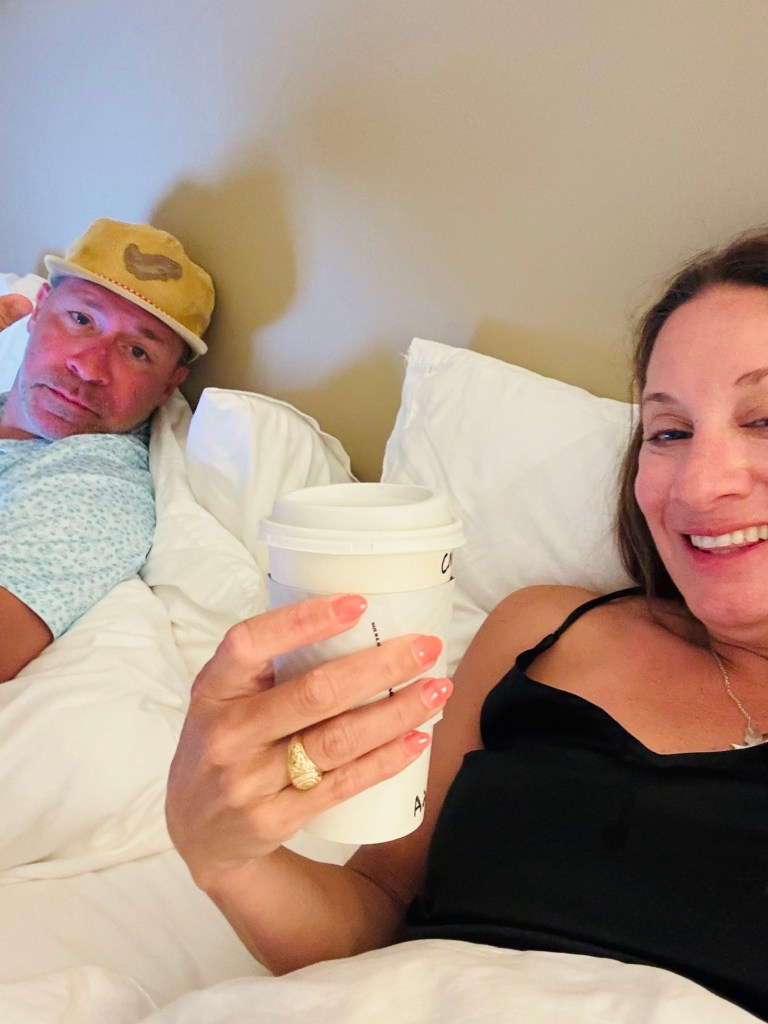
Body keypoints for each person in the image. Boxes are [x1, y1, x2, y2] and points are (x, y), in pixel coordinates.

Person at [166, 227, 768, 1021]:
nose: (698, 483)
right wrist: (223, 859)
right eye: (670, 432)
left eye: (765, 419)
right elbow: (373, 917)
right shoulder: (543, 632)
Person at [0, 218, 214, 682]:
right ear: (38, 310)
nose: (90, 367)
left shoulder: (91, 491)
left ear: (170, 384)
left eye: (137, 352)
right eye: (81, 319)